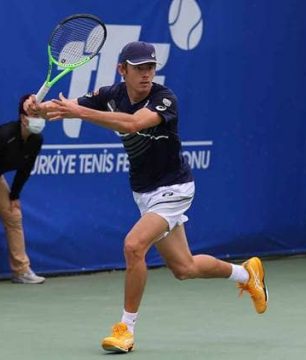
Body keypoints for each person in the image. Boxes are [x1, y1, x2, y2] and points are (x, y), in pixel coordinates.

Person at [24, 41, 268, 352]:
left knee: (133, 245)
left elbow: (134, 123)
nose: (146, 74)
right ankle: (247, 273)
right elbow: (60, 108)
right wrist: (37, 109)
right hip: (144, 191)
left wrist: (80, 112)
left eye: (150, 67)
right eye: (139, 68)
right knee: (185, 267)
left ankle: (125, 329)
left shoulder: (164, 99)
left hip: (174, 188)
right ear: (122, 70)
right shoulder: (110, 95)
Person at [0, 94, 46, 283]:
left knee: (13, 215)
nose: (37, 120)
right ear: (22, 118)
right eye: (32, 115)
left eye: (40, 115)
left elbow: (25, 170)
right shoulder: (5, 135)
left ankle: (21, 271)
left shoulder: (36, 140)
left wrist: (14, 196)